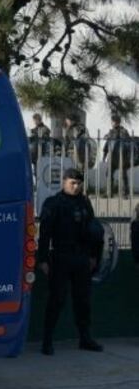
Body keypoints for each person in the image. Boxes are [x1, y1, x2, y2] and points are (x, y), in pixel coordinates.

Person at [36, 168, 104, 356]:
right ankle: (47, 341)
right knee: (56, 300)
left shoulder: (84, 203)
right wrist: (42, 259)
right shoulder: (54, 203)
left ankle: (85, 338)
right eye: (73, 183)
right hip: (61, 257)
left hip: (81, 257)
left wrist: (92, 257)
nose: (76, 186)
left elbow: (92, 230)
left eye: (79, 183)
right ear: (64, 182)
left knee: (83, 300)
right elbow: (45, 234)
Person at [103, 114, 132, 193]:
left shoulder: (123, 131)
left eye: (113, 122)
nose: (112, 123)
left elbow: (127, 141)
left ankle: (125, 192)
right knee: (108, 174)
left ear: (117, 122)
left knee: (123, 175)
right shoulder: (111, 131)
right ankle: (109, 192)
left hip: (122, 157)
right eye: (112, 122)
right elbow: (106, 139)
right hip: (112, 157)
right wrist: (105, 156)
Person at [28, 113, 52, 177]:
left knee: (40, 171)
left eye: (35, 120)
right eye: (34, 120)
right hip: (35, 153)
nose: (34, 122)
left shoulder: (44, 128)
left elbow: (45, 138)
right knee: (36, 171)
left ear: (38, 120)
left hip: (41, 152)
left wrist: (35, 136)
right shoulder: (34, 129)